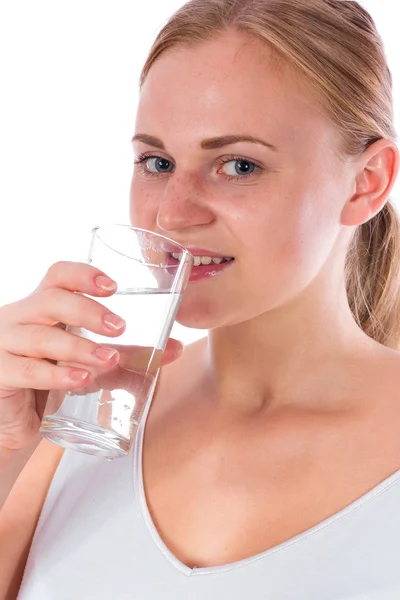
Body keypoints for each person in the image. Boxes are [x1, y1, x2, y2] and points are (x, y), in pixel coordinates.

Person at [1, 0, 400, 597]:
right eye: (157, 162)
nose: (171, 213)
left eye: (238, 165)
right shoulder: (74, 418)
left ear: (365, 183)